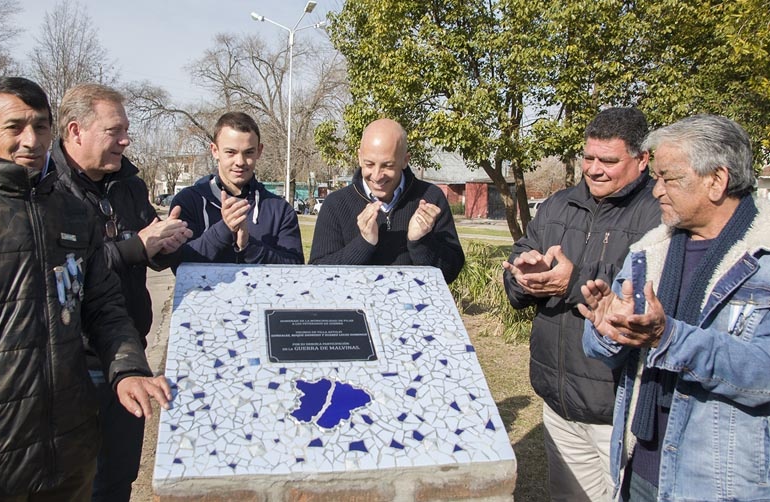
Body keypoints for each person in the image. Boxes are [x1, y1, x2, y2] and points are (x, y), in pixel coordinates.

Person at [0, 77, 171, 502]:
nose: (31, 140)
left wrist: (127, 369)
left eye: (41, 126)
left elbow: (105, 308)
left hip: (69, 453)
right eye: (15, 127)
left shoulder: (72, 214)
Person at [580, 115, 769, 501]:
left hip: (717, 483)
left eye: (669, 178)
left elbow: (763, 374)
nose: (656, 191)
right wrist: (606, 329)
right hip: (637, 466)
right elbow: (608, 353)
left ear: (717, 180)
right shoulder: (649, 252)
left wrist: (669, 338)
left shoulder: (762, 261)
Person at [502, 107, 661, 501]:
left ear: (642, 160)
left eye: (608, 160)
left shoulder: (660, 212)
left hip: (618, 413)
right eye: (588, 157)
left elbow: (646, 289)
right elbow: (517, 260)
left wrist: (572, 282)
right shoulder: (557, 205)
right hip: (558, 404)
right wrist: (524, 276)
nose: (594, 169)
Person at [50, 83, 191, 502]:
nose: (126, 140)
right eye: (115, 131)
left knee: (118, 477)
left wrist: (166, 244)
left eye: (126, 130)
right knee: (75, 481)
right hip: (74, 362)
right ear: (76, 131)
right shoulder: (47, 189)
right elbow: (64, 269)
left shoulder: (128, 183)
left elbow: (146, 246)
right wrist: (137, 247)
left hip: (128, 352)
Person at [309, 118, 464, 283]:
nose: (377, 176)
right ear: (359, 157)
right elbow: (318, 275)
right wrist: (364, 243)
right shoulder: (336, 204)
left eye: (388, 166)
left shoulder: (430, 198)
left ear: (405, 160)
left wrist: (420, 241)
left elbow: (450, 273)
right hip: (353, 307)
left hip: (414, 307)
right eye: (369, 164)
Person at [170, 111, 304, 265]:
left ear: (259, 151)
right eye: (231, 152)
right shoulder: (189, 201)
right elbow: (179, 264)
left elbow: (295, 269)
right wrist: (223, 230)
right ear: (215, 150)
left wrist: (249, 246)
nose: (240, 161)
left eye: (249, 152)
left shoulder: (280, 209)